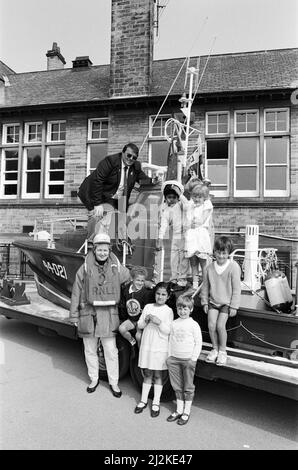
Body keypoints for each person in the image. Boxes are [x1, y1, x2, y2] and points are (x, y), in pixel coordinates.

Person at [69, 232, 130, 396]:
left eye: (105, 250)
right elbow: (76, 291)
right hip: (89, 314)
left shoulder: (117, 266)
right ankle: (94, 379)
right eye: (99, 250)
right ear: (94, 249)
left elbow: (129, 281)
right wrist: (74, 315)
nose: (102, 253)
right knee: (90, 349)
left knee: (111, 350)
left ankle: (114, 383)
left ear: (109, 250)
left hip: (108, 315)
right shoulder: (85, 268)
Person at [77, 143, 158, 239]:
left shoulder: (135, 166)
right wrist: (97, 204)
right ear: (123, 153)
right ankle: (91, 243)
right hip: (97, 193)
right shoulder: (110, 161)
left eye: (134, 157)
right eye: (129, 155)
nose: (131, 158)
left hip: (118, 198)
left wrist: (153, 181)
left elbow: (142, 179)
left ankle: (115, 244)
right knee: (98, 216)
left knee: (121, 220)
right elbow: (97, 181)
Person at [134, 282, 174, 417]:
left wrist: (159, 322)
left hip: (160, 346)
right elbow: (139, 324)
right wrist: (145, 320)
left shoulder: (168, 311)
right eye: (158, 294)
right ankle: (143, 400)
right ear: (155, 294)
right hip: (148, 344)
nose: (160, 297)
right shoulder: (147, 307)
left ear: (168, 296)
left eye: (163, 294)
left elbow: (168, 331)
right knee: (147, 373)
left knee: (158, 375)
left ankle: (156, 402)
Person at [200, 236, 241, 366]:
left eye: (224, 253)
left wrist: (234, 306)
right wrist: (205, 302)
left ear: (228, 253)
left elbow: (236, 288)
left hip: (226, 303)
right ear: (214, 252)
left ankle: (223, 351)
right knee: (211, 325)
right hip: (213, 301)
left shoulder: (234, 267)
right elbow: (205, 287)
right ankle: (215, 349)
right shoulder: (209, 268)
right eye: (219, 252)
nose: (221, 256)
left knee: (220, 326)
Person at [166, 295, 202, 425]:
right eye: (180, 308)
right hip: (174, 359)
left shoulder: (194, 325)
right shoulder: (174, 324)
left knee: (188, 386)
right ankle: (179, 410)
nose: (182, 311)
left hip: (188, 360)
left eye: (185, 308)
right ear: (177, 309)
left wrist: (193, 359)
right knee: (177, 386)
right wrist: (169, 357)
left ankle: (186, 411)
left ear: (191, 309)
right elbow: (170, 340)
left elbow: (198, 343)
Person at [156, 180, 189, 289]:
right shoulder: (165, 209)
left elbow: (188, 205)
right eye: (169, 197)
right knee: (174, 258)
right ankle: (174, 278)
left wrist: (180, 194)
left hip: (185, 235)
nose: (172, 199)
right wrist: (160, 239)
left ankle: (182, 278)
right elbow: (163, 225)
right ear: (165, 197)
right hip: (176, 236)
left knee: (183, 258)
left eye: (174, 197)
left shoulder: (181, 205)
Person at [118, 266, 154, 356]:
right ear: (132, 279)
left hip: (140, 321)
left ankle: (139, 354)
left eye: (142, 281)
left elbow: (147, 311)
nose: (140, 283)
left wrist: (139, 328)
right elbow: (122, 304)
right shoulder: (126, 290)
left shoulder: (146, 293)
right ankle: (132, 342)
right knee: (121, 329)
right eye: (138, 280)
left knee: (139, 336)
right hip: (131, 320)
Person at [184, 183, 214, 289]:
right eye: (195, 196)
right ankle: (195, 285)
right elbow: (188, 221)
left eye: (200, 197)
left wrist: (193, 222)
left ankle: (205, 284)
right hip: (192, 235)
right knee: (193, 262)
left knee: (203, 262)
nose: (197, 199)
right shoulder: (190, 205)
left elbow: (200, 221)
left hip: (201, 235)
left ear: (204, 198)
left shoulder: (207, 205)